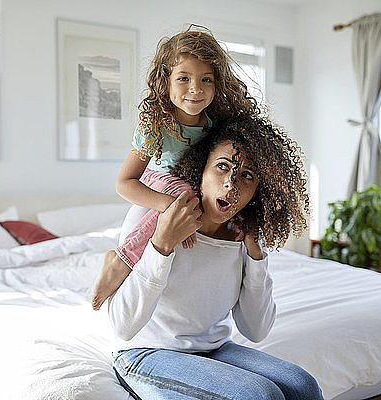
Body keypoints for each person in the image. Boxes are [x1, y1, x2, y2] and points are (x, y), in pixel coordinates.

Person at [108, 114, 323, 400]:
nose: (231, 185)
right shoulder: (150, 217)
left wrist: (256, 255)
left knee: (303, 387)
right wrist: (162, 244)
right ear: (201, 169)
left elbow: (256, 330)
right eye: (222, 167)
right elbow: (122, 326)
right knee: (261, 395)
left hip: (215, 350)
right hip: (145, 352)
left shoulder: (242, 236)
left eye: (247, 176)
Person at [91, 25, 260, 310]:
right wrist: (171, 205)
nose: (196, 89)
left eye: (206, 79)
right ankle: (121, 259)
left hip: (191, 188)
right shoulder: (155, 125)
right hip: (161, 182)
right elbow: (125, 182)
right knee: (186, 193)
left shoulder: (214, 126)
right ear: (165, 82)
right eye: (183, 78)